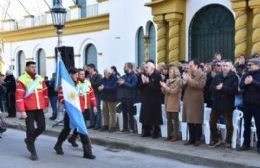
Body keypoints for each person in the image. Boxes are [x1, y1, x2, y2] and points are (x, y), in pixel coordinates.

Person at [54, 67, 95, 159]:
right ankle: (58, 145)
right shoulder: (64, 85)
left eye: (78, 74)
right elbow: (60, 98)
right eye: (76, 74)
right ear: (70, 75)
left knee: (82, 130)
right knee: (66, 130)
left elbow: (88, 94)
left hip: (80, 111)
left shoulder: (80, 84)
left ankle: (87, 152)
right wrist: (69, 101)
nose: (78, 76)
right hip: (70, 112)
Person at [16, 61, 49, 160]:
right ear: (26, 68)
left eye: (35, 67)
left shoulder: (40, 78)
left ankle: (29, 141)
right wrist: (22, 110)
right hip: (28, 109)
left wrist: (46, 105)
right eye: (32, 67)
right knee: (30, 130)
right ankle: (33, 152)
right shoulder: (22, 80)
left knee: (42, 127)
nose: (34, 69)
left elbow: (45, 93)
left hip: (39, 108)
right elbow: (19, 97)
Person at [210, 60, 239, 149]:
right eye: (223, 66)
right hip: (217, 103)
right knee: (212, 122)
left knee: (229, 124)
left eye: (226, 65)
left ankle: (228, 142)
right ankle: (216, 140)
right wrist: (216, 88)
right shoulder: (218, 76)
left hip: (227, 104)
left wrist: (223, 87)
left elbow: (234, 91)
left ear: (230, 67)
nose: (224, 67)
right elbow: (211, 87)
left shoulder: (234, 77)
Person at [67, 68, 97, 147]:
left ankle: (72, 139)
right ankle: (87, 144)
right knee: (82, 126)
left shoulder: (87, 83)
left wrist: (94, 105)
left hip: (86, 107)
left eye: (83, 74)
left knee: (80, 125)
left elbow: (92, 95)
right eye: (80, 74)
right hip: (78, 109)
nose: (82, 75)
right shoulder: (75, 84)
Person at [238, 58, 260, 154]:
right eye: (248, 65)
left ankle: (259, 146)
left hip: (258, 105)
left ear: (257, 65)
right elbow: (240, 87)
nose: (249, 66)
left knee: (259, 126)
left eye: (251, 65)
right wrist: (245, 83)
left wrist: (253, 82)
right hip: (246, 105)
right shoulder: (246, 74)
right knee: (246, 125)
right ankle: (246, 144)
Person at [182, 60, 206, 146]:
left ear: (196, 66)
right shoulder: (188, 74)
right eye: (189, 66)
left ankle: (197, 139)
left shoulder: (202, 74)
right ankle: (191, 138)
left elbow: (200, 86)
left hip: (196, 100)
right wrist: (184, 82)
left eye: (191, 65)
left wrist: (189, 80)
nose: (189, 67)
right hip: (188, 99)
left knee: (197, 120)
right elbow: (182, 86)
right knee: (189, 120)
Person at [139, 62, 163, 139]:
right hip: (146, 98)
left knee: (154, 116)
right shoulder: (145, 76)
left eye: (147, 67)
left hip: (154, 99)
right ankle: (146, 131)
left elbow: (155, 88)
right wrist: (143, 82)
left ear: (152, 68)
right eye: (145, 67)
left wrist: (148, 82)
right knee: (145, 115)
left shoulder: (157, 76)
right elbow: (140, 88)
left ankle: (156, 131)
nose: (145, 69)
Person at [160, 67, 182, 141]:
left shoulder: (178, 81)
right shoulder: (168, 80)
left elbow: (174, 92)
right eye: (169, 72)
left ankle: (176, 136)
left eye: (171, 72)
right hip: (167, 102)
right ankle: (169, 135)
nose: (169, 73)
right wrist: (163, 87)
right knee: (168, 120)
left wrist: (165, 87)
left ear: (175, 73)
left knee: (175, 120)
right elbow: (165, 92)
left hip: (174, 102)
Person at [118, 62, 138, 133]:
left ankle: (132, 128)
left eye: (125, 67)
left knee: (130, 113)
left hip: (130, 98)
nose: (124, 68)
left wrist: (124, 83)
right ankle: (125, 127)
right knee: (124, 113)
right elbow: (121, 85)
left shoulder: (134, 76)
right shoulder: (124, 76)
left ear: (129, 68)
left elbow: (133, 86)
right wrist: (120, 83)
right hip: (123, 97)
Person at [86, 64, 102, 129]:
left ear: (93, 68)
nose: (88, 70)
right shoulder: (88, 75)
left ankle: (98, 124)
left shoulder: (98, 75)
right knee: (90, 110)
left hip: (96, 94)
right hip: (90, 94)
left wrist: (90, 82)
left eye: (89, 68)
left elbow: (98, 84)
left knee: (97, 109)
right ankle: (92, 123)